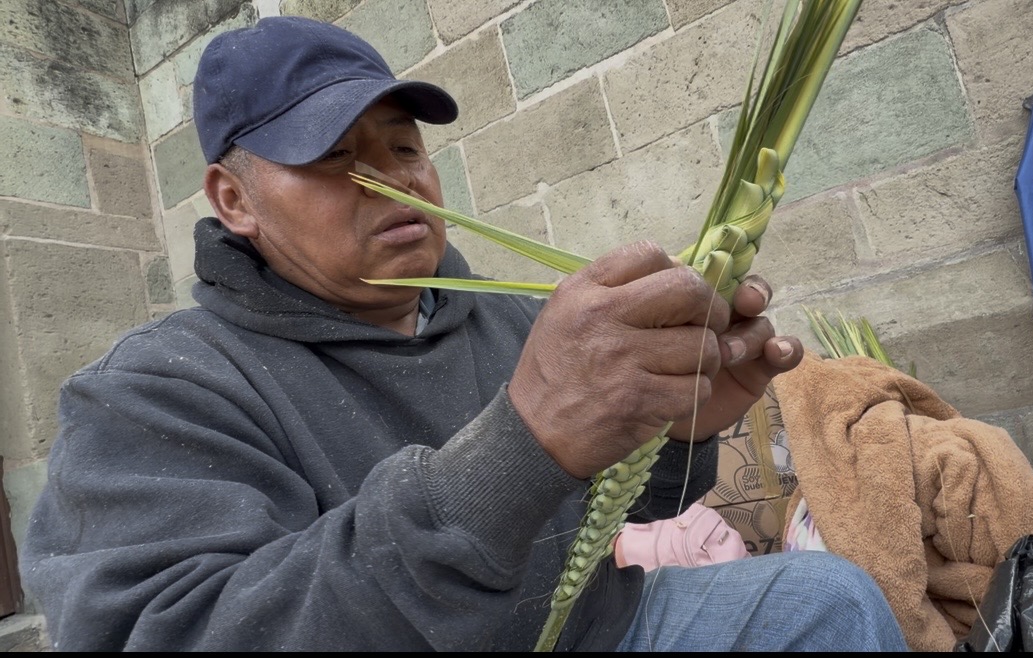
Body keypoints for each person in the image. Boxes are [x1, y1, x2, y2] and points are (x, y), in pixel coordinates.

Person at [20, 17, 906, 652]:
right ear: (234, 199)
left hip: (604, 627)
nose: (389, 182)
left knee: (825, 598)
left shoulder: (513, 321)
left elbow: (628, 507)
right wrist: (521, 443)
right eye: (333, 159)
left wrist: (679, 432)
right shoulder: (156, 391)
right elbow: (173, 633)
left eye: (402, 149)